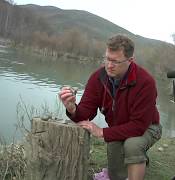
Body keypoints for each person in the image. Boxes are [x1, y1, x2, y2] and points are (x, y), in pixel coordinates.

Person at [58, 34, 162, 180]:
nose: (109, 65)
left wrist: (102, 132)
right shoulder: (98, 77)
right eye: (107, 58)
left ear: (130, 61)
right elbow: (86, 112)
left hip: (148, 126)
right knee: (115, 165)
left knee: (132, 145)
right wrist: (72, 108)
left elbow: (139, 126)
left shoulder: (146, 82)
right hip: (120, 126)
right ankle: (135, 163)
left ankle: (137, 161)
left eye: (115, 61)